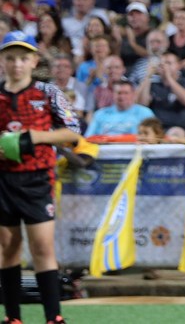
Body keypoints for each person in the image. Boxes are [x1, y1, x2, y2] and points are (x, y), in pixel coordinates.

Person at [0, 32, 81, 324]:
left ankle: (53, 317)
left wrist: (35, 137)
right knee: (9, 249)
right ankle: (13, 318)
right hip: (3, 180)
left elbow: (73, 132)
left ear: (34, 61)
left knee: (42, 248)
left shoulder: (48, 93)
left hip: (37, 179)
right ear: (2, 61)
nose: (17, 64)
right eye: (10, 58)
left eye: (23, 58)